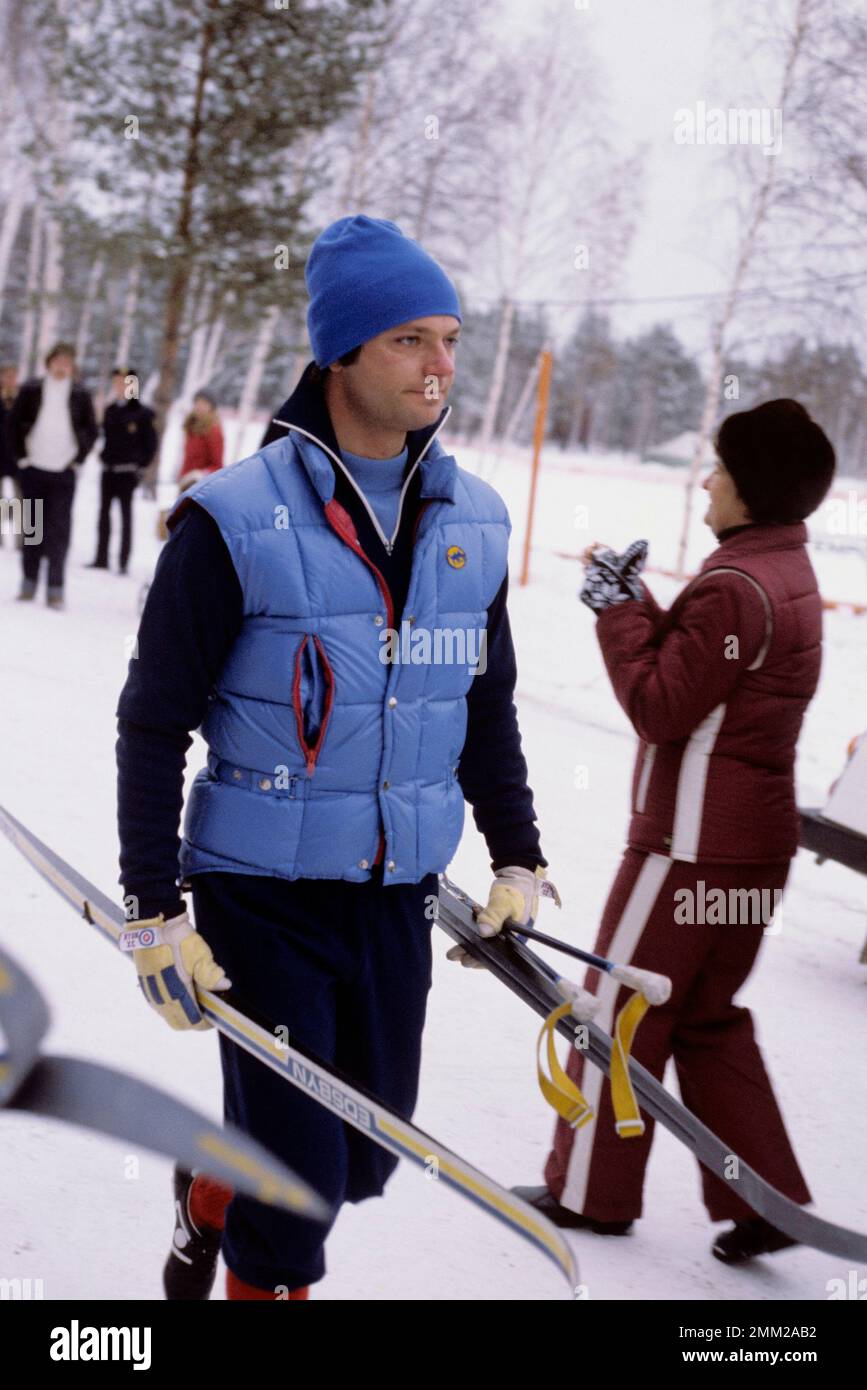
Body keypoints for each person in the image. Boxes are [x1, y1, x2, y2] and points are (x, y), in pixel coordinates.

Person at [115, 214, 554, 1301]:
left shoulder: (473, 523)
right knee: (300, 1189)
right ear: (342, 352)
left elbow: (483, 701)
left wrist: (518, 854)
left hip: (392, 892)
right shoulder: (232, 520)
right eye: (410, 339)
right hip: (258, 894)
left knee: (364, 1152)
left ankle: (209, 1190)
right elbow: (152, 718)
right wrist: (152, 903)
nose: (441, 365)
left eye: (449, 338)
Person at [509, 399, 835, 1266]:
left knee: (616, 1012)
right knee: (704, 1018)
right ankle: (763, 1197)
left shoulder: (735, 584)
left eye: (720, 469)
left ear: (752, 487)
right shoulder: (785, 574)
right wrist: (640, 604)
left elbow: (659, 706)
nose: (706, 481)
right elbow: (704, 673)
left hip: (687, 852)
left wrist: (616, 611)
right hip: (751, 854)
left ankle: (588, 1193)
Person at [9, 342, 97, 608]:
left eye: (67, 362)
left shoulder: (81, 394)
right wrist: (22, 458)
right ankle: (28, 582)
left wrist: (78, 461)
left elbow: (91, 430)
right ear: (49, 362)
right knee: (31, 528)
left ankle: (56, 589)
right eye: (58, 361)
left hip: (63, 472)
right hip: (33, 468)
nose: (62, 367)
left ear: (73, 366)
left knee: (59, 531)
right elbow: (12, 424)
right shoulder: (31, 389)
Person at [87, 368, 158, 576]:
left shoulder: (142, 414)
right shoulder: (110, 410)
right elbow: (107, 438)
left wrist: (140, 467)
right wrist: (103, 456)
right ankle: (101, 557)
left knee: (125, 516)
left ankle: (123, 560)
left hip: (128, 472)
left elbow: (150, 444)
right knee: (104, 514)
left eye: (124, 383)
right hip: (109, 471)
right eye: (116, 382)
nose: (120, 387)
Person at [176, 390, 223, 490]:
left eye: (204, 403)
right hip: (185, 483)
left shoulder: (213, 431)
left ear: (211, 407)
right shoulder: (191, 427)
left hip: (200, 487)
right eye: (197, 402)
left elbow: (217, 465)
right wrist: (182, 476)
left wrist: (198, 475)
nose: (199, 406)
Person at [0, 363, 22, 551]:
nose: (10, 380)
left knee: (24, 501)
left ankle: (26, 541)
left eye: (13, 376)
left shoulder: (23, 400)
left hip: (18, 459)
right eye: (7, 376)